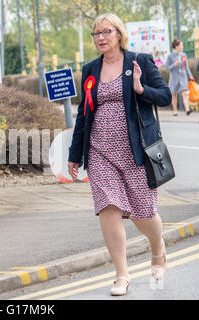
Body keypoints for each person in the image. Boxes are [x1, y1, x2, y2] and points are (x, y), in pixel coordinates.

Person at [68, 13, 171, 296]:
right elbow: (83, 115)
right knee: (108, 208)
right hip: (100, 151)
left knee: (143, 213)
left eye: (106, 32)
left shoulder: (139, 61)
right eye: (96, 33)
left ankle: (158, 248)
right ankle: (122, 274)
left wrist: (140, 88)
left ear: (119, 33)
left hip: (135, 150)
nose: (101, 37)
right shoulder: (90, 69)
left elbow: (166, 97)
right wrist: (74, 154)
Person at [166, 38, 195, 116]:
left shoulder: (184, 55)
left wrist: (190, 76)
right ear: (176, 46)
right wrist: (174, 65)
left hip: (183, 77)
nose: (182, 47)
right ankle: (175, 111)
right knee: (174, 94)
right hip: (174, 78)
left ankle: (187, 110)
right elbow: (167, 68)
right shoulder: (170, 56)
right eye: (181, 45)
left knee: (185, 93)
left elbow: (186, 67)